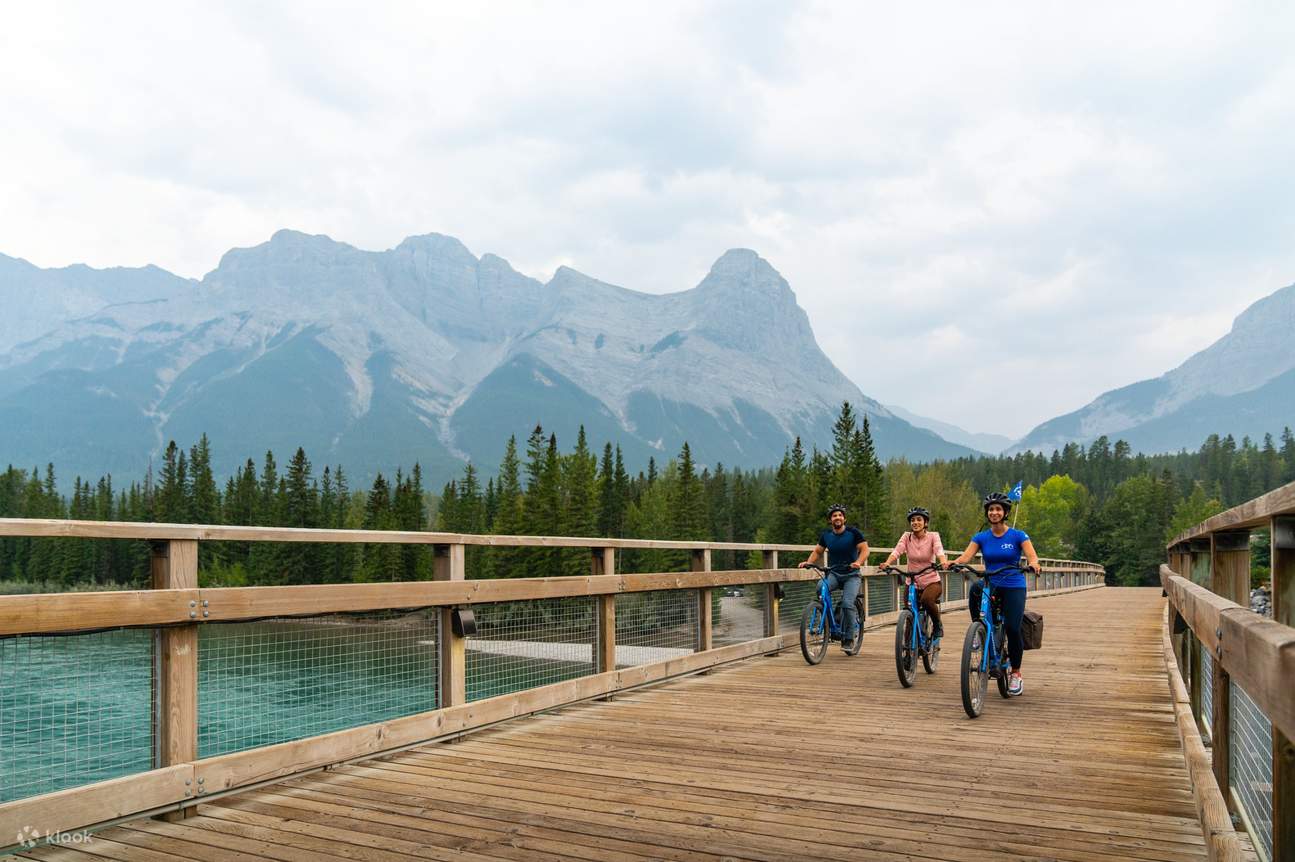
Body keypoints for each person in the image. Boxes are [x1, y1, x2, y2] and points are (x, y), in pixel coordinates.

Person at [949, 492, 1039, 696]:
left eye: (998, 509)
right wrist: (955, 562)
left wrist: (1034, 564)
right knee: (975, 589)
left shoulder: (1018, 535)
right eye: (991, 509)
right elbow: (966, 556)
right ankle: (979, 630)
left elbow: (1032, 556)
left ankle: (1016, 673)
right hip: (992, 583)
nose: (994, 512)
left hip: (1014, 584)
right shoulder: (981, 537)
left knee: (1013, 628)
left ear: (1005, 512)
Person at [798, 503, 869, 648]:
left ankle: (849, 638)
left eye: (840, 515)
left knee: (847, 603)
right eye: (834, 515)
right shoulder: (826, 535)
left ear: (844, 518)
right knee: (820, 588)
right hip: (834, 574)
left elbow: (865, 549)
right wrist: (808, 562)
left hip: (852, 575)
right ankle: (829, 621)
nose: (837, 517)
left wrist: (858, 562)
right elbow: (818, 551)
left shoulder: (853, 533)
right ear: (830, 520)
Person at [878, 506, 949, 638]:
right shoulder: (907, 537)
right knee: (909, 611)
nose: (915, 522)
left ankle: (937, 625)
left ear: (925, 522)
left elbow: (939, 549)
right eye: (912, 520)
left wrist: (943, 561)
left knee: (926, 600)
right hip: (912, 582)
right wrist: (887, 563)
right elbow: (897, 550)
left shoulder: (933, 536)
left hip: (931, 581)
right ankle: (906, 647)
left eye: (919, 519)